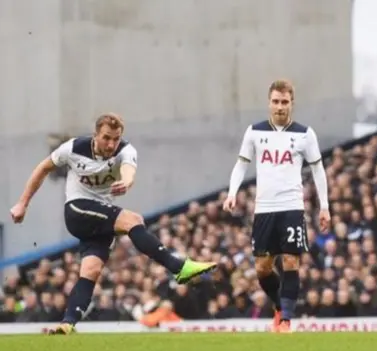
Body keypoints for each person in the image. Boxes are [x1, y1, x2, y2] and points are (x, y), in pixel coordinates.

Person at [9, 113, 217, 334]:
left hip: (101, 219)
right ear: (96, 134)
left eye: (115, 139)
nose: (111, 144)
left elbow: (129, 171)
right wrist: (22, 204)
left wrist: (126, 182)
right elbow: (42, 169)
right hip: (78, 210)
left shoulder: (126, 151)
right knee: (134, 220)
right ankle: (178, 267)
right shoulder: (73, 148)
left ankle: (67, 323)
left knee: (91, 270)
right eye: (106, 138)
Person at [223, 80, 330, 333]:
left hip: (292, 206)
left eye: (284, 102)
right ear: (269, 102)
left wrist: (324, 206)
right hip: (264, 208)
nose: (280, 106)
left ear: (292, 103)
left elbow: (318, 169)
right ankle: (280, 306)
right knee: (262, 268)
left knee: (291, 261)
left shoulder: (305, 134)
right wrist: (232, 193)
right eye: (276, 101)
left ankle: (286, 320)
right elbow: (241, 164)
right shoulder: (255, 132)